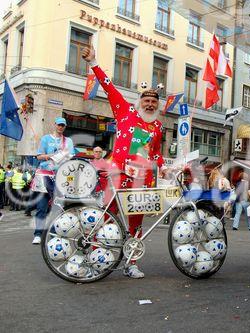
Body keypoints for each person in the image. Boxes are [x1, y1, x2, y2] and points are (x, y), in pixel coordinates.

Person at [82, 45, 169, 278]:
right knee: (106, 216)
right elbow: (109, 88)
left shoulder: (158, 127)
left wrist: (165, 166)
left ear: (157, 105)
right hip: (117, 176)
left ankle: (131, 263)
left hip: (141, 183)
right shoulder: (124, 111)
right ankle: (95, 257)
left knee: (136, 225)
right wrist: (94, 62)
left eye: (154, 101)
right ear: (139, 101)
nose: (150, 104)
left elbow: (156, 154)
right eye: (146, 100)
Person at [33, 117, 75, 244]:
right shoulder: (46, 139)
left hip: (60, 176)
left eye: (63, 125)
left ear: (65, 127)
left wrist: (65, 156)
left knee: (57, 207)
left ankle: (54, 233)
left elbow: (72, 157)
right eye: (59, 125)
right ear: (55, 125)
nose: (61, 127)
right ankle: (38, 234)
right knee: (42, 206)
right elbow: (39, 156)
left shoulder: (68, 141)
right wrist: (50, 156)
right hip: (45, 175)